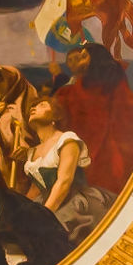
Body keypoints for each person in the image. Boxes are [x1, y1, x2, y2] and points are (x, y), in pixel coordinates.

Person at [50, 44, 133, 194]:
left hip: (111, 146)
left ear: (97, 59)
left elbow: (120, 110)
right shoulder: (69, 91)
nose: (78, 63)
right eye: (71, 60)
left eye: (83, 57)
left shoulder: (111, 81)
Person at [21, 97, 113, 241]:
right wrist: (20, 211)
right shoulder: (32, 152)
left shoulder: (66, 139)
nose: (33, 108)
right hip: (44, 202)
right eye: (32, 107)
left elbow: (64, 182)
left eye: (42, 105)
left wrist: (44, 215)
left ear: (54, 117)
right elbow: (35, 189)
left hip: (71, 201)